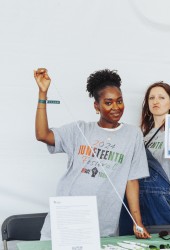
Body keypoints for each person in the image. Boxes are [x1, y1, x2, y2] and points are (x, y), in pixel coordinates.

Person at [34, 68, 150, 239]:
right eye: (108, 102)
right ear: (97, 106)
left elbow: (131, 180)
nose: (116, 107)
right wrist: (42, 93)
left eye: (119, 101)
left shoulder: (133, 135)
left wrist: (137, 221)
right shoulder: (79, 129)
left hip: (103, 224)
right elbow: (42, 135)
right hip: (67, 215)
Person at [119, 81, 170, 235]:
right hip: (139, 197)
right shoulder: (141, 135)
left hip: (163, 198)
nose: (156, 101)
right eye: (151, 98)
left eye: (161, 97)